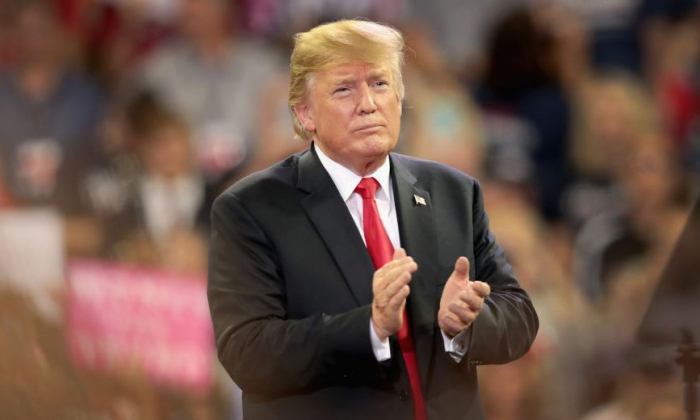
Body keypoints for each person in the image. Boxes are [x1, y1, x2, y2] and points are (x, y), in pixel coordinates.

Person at [208, 19, 539, 420]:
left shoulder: (453, 192)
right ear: (305, 113)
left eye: (380, 84)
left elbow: (520, 317)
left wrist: (464, 325)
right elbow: (248, 353)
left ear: (399, 98)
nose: (368, 103)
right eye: (345, 89)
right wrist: (369, 327)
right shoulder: (250, 210)